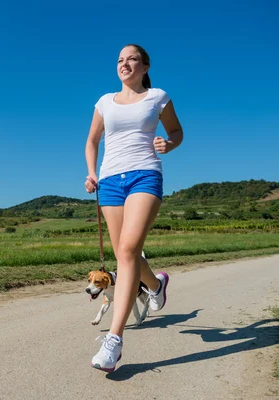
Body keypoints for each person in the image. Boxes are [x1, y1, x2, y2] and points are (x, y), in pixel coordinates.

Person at [84, 44, 183, 372]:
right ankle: (155, 285)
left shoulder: (157, 97)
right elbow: (92, 141)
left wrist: (167, 144)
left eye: (132, 60)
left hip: (145, 175)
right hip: (110, 182)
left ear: (145, 66)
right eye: (120, 60)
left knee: (127, 251)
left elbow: (176, 132)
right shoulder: (104, 102)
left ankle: (114, 340)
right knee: (127, 255)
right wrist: (92, 171)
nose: (125, 64)